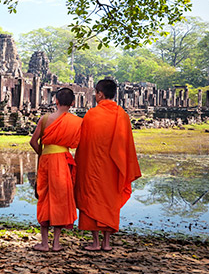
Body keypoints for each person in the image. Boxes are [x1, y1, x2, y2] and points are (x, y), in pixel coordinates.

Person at [74, 79, 141, 251]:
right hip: (113, 168)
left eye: (96, 93)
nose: (95, 96)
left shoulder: (92, 114)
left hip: (93, 167)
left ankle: (95, 242)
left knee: (92, 199)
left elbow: (84, 144)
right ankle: (106, 243)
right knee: (109, 200)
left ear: (100, 94)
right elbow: (126, 145)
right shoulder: (122, 115)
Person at [29, 87, 83, 252]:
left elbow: (33, 142)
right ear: (73, 103)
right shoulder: (77, 121)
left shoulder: (45, 119)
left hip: (47, 160)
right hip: (63, 160)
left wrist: (44, 153)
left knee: (44, 197)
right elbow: (78, 143)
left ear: (55, 101)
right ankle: (56, 244)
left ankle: (44, 243)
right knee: (60, 198)